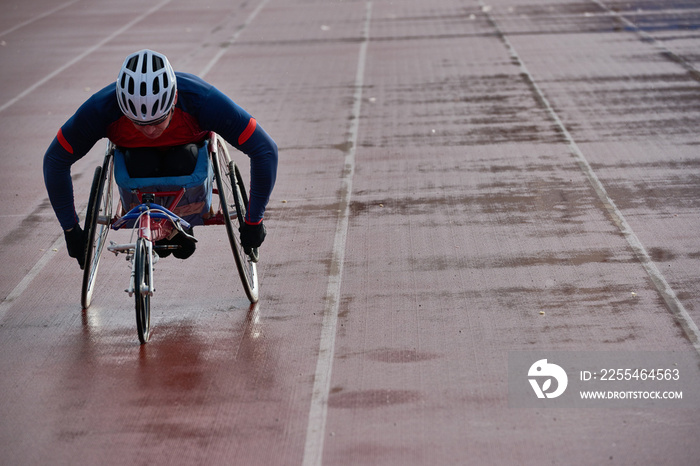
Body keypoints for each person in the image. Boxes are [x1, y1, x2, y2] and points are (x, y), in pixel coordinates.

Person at [43, 49, 278, 267]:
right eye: (139, 123)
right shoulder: (101, 108)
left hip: (187, 161)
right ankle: (167, 225)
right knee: (140, 161)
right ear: (123, 109)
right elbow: (55, 160)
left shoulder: (202, 100)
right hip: (138, 167)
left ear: (174, 99)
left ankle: (176, 222)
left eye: (158, 121)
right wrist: (71, 229)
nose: (150, 131)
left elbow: (265, 150)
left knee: (182, 158)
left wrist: (254, 220)